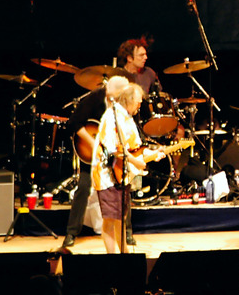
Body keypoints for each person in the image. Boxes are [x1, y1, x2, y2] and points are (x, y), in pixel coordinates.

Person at [91, 82, 165, 253]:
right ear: (129, 100)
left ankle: (124, 255)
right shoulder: (111, 117)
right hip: (107, 175)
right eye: (138, 101)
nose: (140, 105)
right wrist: (135, 161)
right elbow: (112, 150)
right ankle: (113, 258)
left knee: (120, 218)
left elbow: (135, 149)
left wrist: (154, 153)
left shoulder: (129, 119)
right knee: (110, 220)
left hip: (121, 174)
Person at [62, 76, 131, 248]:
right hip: (90, 152)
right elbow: (74, 124)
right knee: (84, 187)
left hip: (113, 154)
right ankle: (71, 232)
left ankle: (127, 232)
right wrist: (94, 144)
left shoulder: (122, 105)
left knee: (123, 190)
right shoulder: (93, 99)